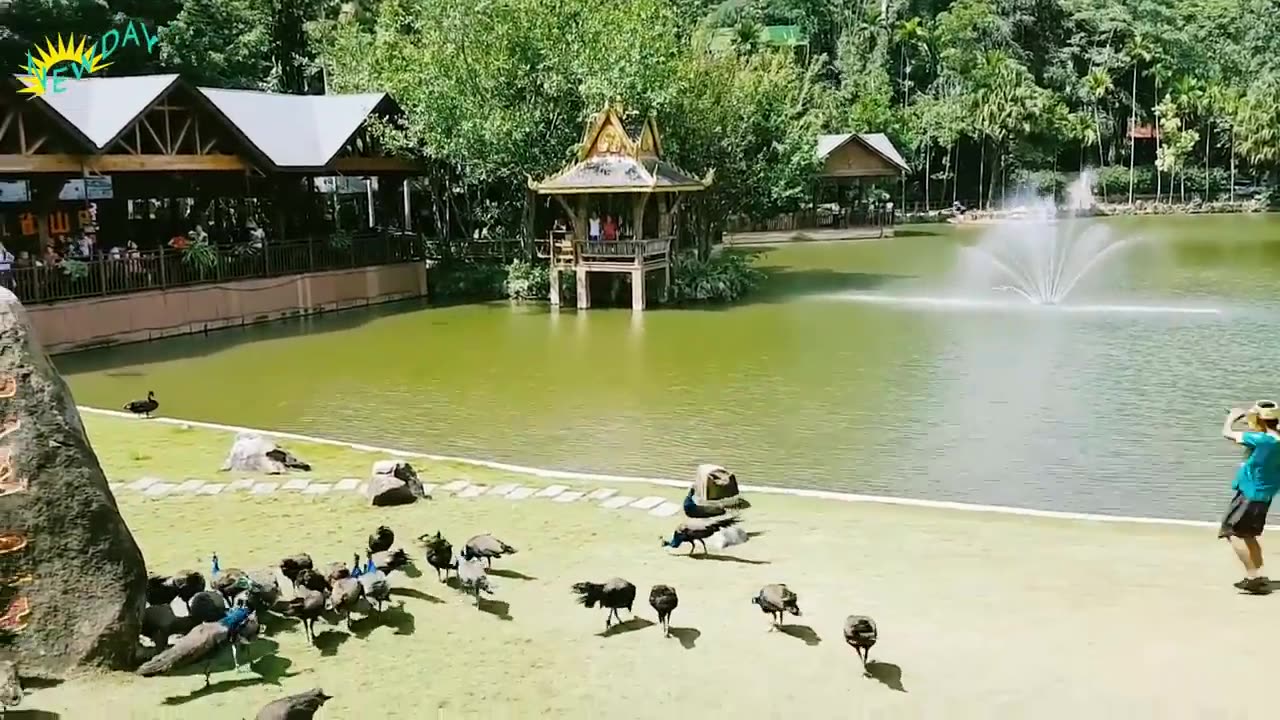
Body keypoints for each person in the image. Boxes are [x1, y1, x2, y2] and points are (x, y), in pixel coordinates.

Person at [1220, 401, 1280, 594]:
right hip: (1264, 494)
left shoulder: (1262, 440)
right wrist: (1249, 418)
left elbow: (1227, 433)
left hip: (1250, 495)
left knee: (1232, 532)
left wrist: (1232, 418)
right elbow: (1264, 429)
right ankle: (1258, 575)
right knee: (1249, 535)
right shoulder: (1275, 438)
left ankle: (1252, 577)